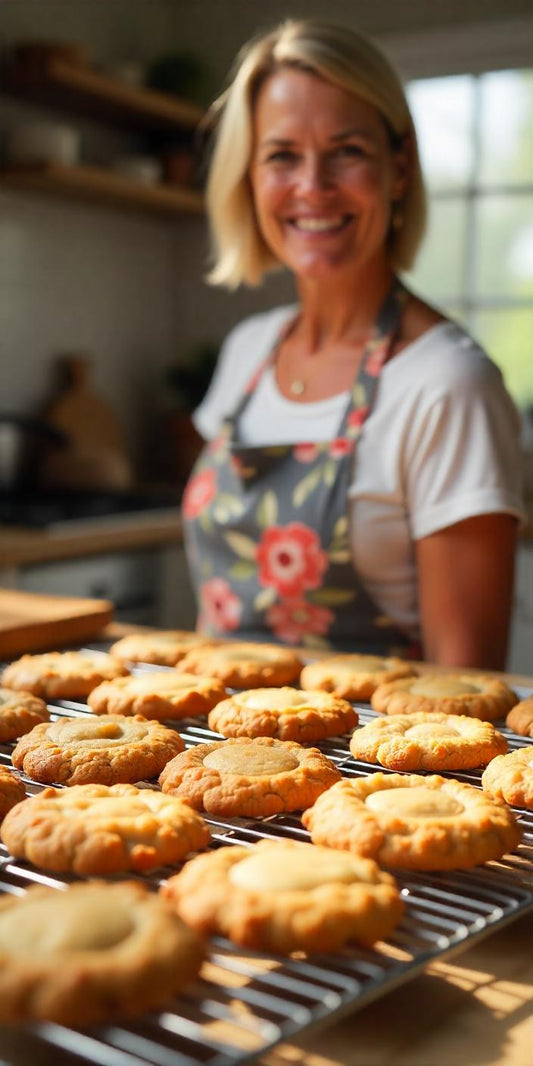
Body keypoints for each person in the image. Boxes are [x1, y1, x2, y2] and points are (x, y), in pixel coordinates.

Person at [181, 18, 525, 669]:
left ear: (397, 171)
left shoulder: (448, 386)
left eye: (346, 151)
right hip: (218, 747)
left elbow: (464, 691)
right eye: (281, 154)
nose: (312, 185)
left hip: (366, 763)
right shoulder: (246, 352)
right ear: (248, 178)